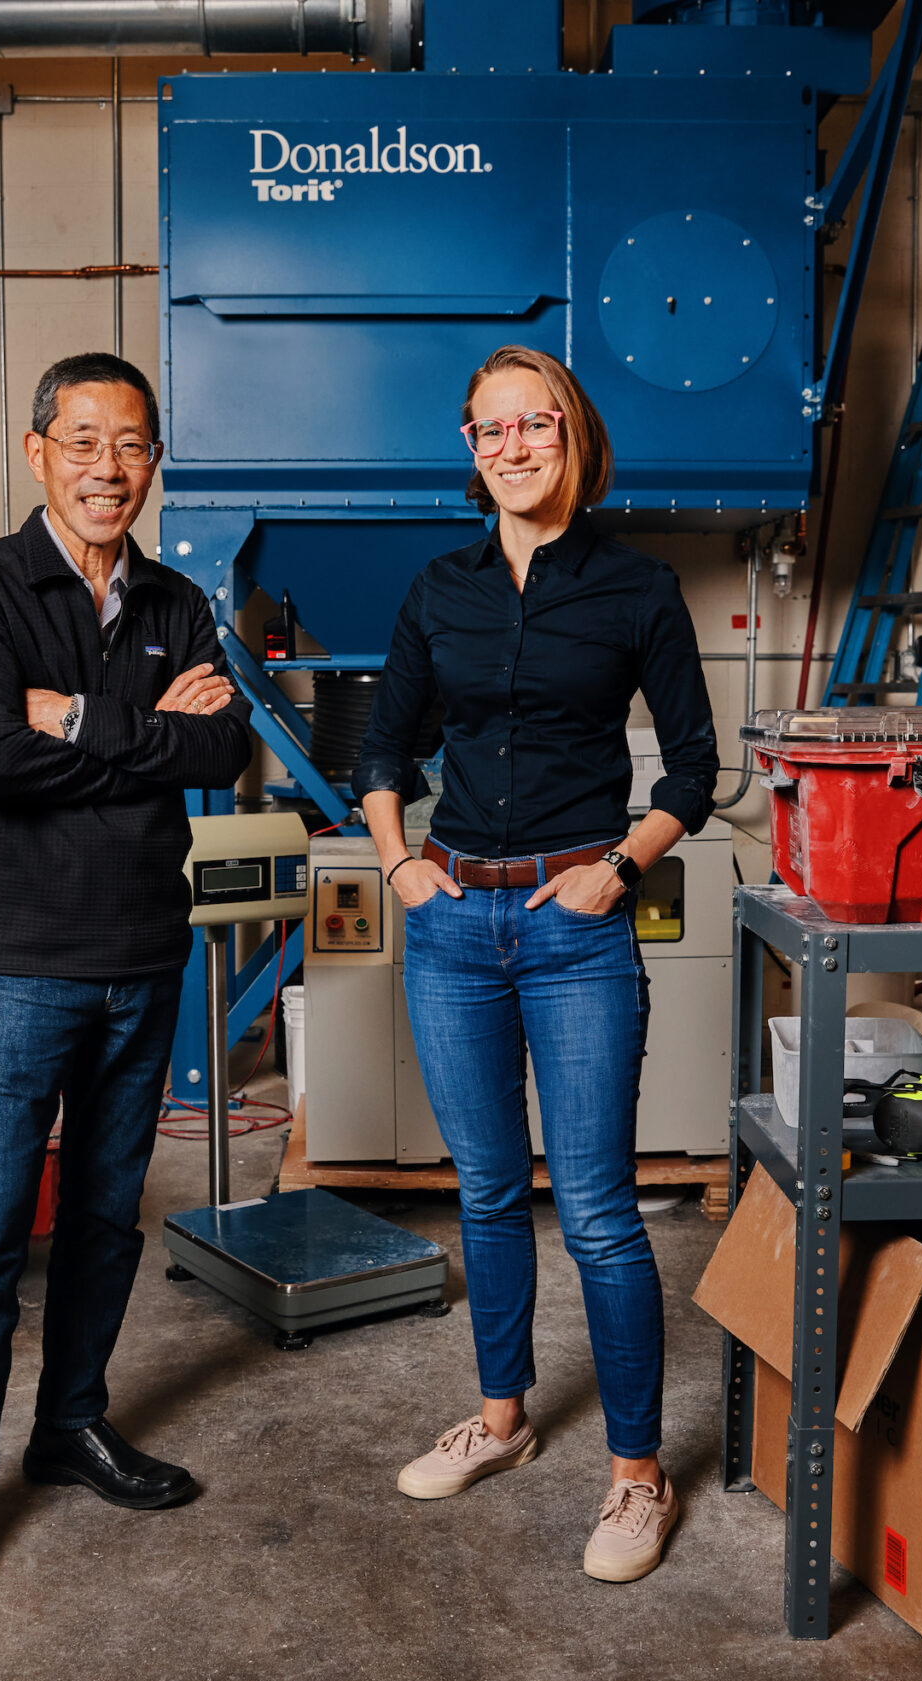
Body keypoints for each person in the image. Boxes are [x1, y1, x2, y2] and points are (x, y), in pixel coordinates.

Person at [353, 345, 718, 1584]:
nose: (512, 446)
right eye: (489, 428)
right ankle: (502, 1421)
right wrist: (403, 867)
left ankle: (635, 1477)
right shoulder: (436, 590)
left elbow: (690, 773)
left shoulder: (637, 591)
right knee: (490, 1193)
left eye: (535, 424)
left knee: (605, 1217)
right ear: (470, 447)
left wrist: (618, 868)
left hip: (575, 926)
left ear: (575, 436)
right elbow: (382, 746)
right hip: (453, 923)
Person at [0, 352, 254, 1615]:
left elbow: (223, 748)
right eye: (87, 442)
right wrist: (137, 728)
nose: (112, 468)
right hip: (19, 966)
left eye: (135, 445)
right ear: (40, 449)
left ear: (154, 461)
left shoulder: (174, 598)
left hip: (143, 956)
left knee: (107, 1222)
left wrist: (79, 718)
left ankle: (72, 1426)